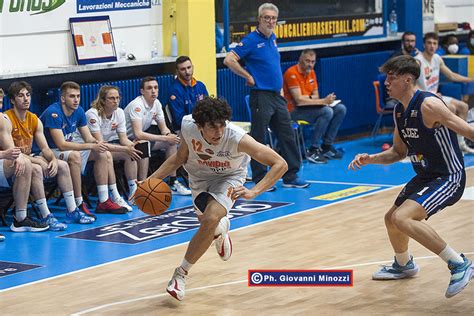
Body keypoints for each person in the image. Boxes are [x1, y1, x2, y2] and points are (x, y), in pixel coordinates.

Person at [349, 55, 474, 298]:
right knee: (391, 219)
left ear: (408, 80)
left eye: (391, 78)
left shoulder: (430, 105)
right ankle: (404, 264)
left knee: (403, 217)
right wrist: (370, 159)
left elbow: (468, 130)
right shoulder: (399, 111)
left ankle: (459, 263)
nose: (386, 82)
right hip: (427, 176)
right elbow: (398, 152)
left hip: (449, 176)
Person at [146, 96, 287, 301]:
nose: (219, 133)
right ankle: (221, 230)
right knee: (208, 224)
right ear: (200, 125)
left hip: (230, 177)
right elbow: (179, 158)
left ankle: (180, 275)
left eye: (222, 126)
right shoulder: (188, 126)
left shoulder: (236, 137)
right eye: (213, 127)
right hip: (199, 178)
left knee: (210, 218)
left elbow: (280, 163)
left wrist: (254, 191)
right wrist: (149, 181)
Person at [223, 2, 308, 190]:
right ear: (259, 19)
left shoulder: (273, 38)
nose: (270, 21)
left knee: (287, 133)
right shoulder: (251, 40)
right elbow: (229, 59)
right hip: (261, 95)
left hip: (277, 96)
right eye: (266, 18)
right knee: (259, 137)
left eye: (273, 18)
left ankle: (291, 176)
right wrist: (247, 76)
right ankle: (260, 177)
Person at [6, 81, 92, 230]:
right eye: (20, 96)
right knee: (36, 168)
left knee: (63, 165)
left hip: (30, 158)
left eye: (28, 95)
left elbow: (45, 148)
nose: (26, 99)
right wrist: (39, 161)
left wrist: (51, 159)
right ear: (12, 100)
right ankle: (46, 215)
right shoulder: (7, 119)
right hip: (12, 163)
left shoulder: (34, 119)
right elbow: (14, 153)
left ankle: (72, 210)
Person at [40, 81, 128, 217]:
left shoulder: (79, 111)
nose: (76, 100)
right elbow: (61, 145)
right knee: (75, 156)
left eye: (78, 96)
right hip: (46, 152)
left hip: (65, 150)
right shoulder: (54, 113)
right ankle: (78, 203)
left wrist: (98, 144)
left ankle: (104, 200)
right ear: (63, 98)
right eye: (72, 96)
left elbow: (88, 138)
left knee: (102, 152)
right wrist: (92, 145)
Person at [124, 76, 191, 195]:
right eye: (149, 88)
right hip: (125, 139)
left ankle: (173, 182)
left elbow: (163, 127)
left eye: (155, 88)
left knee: (171, 143)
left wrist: (169, 135)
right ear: (142, 91)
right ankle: (142, 185)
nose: (153, 91)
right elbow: (138, 133)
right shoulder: (137, 105)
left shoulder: (157, 103)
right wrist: (164, 137)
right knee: (143, 144)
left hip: (140, 138)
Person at [283, 49, 346, 163]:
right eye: (307, 61)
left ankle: (326, 146)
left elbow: (315, 97)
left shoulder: (312, 72)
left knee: (340, 109)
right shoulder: (291, 73)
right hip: (293, 111)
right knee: (327, 111)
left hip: (309, 108)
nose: (310, 64)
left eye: (313, 62)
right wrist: (322, 101)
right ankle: (313, 149)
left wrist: (310, 99)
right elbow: (299, 101)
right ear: (300, 60)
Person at [415, 32, 474, 154]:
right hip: (422, 98)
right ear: (424, 44)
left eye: (434, 43)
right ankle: (447, 145)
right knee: (451, 108)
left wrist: (470, 79)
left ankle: (460, 144)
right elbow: (411, 84)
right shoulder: (418, 61)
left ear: (437, 46)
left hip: (435, 97)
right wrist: (428, 94)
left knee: (463, 106)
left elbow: (451, 75)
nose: (432, 46)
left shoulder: (437, 58)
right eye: (429, 43)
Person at [0, 87, 48, 233]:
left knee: (26, 163)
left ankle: (20, 219)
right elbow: (5, 153)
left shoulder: (2, 120)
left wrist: (19, 157)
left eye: (0, 101)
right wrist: (4, 154)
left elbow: (11, 148)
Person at [86, 86, 142, 208]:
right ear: (103, 100)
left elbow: (123, 139)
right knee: (106, 154)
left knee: (131, 152)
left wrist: (132, 146)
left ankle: (134, 192)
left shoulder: (119, 112)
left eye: (117, 98)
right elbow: (99, 143)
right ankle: (115, 196)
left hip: (104, 148)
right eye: (112, 98)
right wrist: (125, 148)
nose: (116, 101)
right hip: (86, 149)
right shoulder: (92, 114)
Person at [168, 56, 208, 132]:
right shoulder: (174, 90)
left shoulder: (200, 86)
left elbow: (209, 108)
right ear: (177, 71)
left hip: (202, 125)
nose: (187, 72)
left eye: (189, 67)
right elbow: (180, 120)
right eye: (183, 69)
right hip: (184, 129)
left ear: (193, 67)